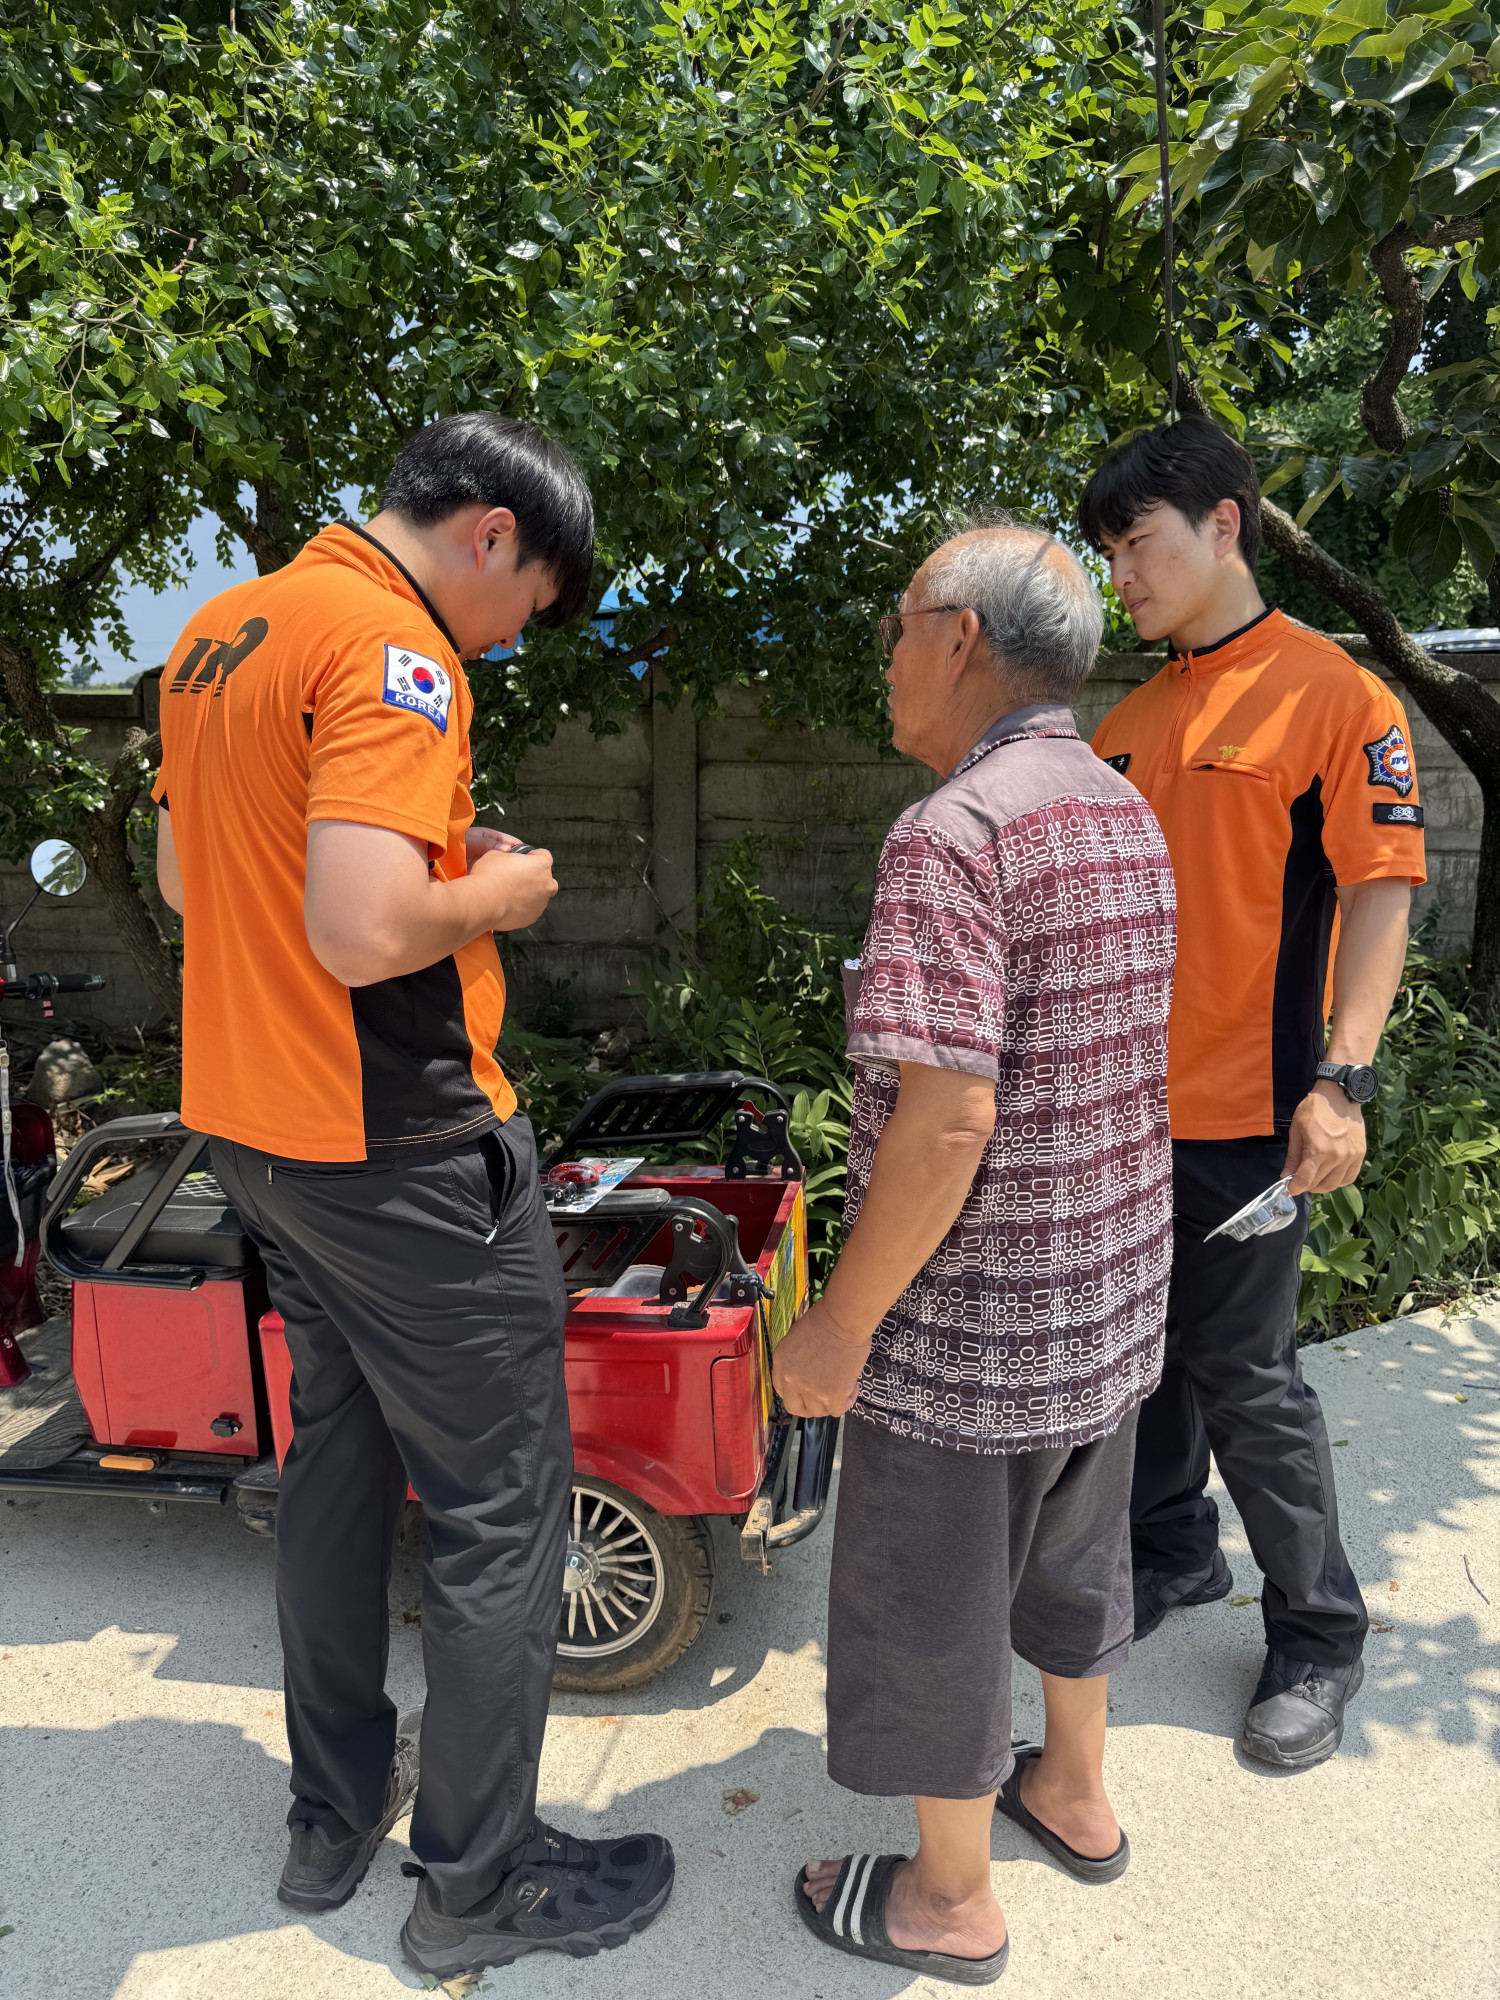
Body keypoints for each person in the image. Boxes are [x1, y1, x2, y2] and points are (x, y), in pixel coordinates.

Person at [152, 414, 674, 1980]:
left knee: (336, 1462)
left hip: (258, 1132)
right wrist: (495, 893)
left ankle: (334, 1812)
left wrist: (421, 873)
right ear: (493, 534)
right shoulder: (397, 650)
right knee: (503, 1505)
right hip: (400, 1150)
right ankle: (475, 1884)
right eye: (529, 606)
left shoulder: (223, 631)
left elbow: (188, 883)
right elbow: (366, 931)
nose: (508, 642)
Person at [774, 522, 1176, 1984]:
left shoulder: (952, 834)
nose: (888, 655)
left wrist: (836, 1328)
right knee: (1072, 1557)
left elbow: (947, 1122)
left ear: (958, 638)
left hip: (973, 1331)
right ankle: (1073, 1789)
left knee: (927, 1598)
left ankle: (949, 1900)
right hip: (1109, 1297)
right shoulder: (1122, 809)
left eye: (899, 625)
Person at [1079, 418, 1424, 1770]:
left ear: (1225, 523)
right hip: (1125, 1116)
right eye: (1108, 554)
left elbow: (1382, 892)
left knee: (1246, 1377)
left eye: (1138, 544)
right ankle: (1172, 1551)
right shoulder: (1126, 724)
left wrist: (1343, 1079)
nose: (1121, 577)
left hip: (1255, 1116)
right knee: (1144, 1358)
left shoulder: (1334, 696)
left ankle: (1320, 1634)